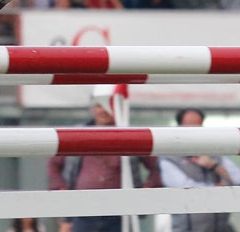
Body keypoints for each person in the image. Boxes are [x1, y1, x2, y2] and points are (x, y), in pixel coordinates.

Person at [48, 99, 161, 232]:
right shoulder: (77, 134)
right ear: (93, 109)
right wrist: (60, 188)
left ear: (118, 109)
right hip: (83, 211)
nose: (103, 110)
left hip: (120, 213)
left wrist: (146, 190)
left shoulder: (131, 136)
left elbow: (156, 167)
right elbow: (53, 164)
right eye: (99, 106)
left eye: (109, 106)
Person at [160, 108, 240, 232]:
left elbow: (239, 179)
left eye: (198, 125)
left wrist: (214, 165)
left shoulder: (214, 154)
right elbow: (185, 187)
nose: (193, 130)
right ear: (178, 127)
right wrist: (218, 189)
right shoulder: (169, 158)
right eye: (188, 126)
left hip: (221, 227)